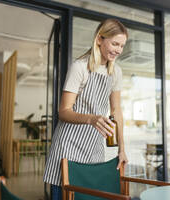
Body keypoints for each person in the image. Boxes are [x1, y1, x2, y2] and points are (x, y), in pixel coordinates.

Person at [43, 18, 128, 199]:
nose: (118, 50)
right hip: (69, 147)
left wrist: (122, 148)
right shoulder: (79, 67)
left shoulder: (116, 72)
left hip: (93, 146)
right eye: (115, 44)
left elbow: (116, 112)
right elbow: (64, 111)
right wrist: (91, 119)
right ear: (99, 39)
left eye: (122, 46)